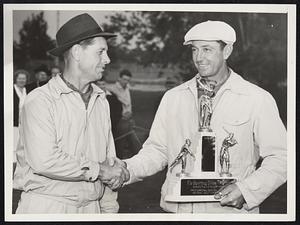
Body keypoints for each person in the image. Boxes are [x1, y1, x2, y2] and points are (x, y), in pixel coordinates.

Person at [115, 20, 287, 213]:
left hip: (229, 214)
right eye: (194, 50)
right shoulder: (174, 97)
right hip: (179, 212)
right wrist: (126, 168)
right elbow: (157, 150)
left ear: (227, 51)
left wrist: (246, 190)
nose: (199, 58)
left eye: (207, 49)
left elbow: (281, 157)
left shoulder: (256, 98)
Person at [14, 13, 129, 214]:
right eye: (100, 52)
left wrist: (109, 209)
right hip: (47, 207)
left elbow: (109, 158)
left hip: (92, 208)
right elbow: (46, 160)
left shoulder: (101, 100)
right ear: (77, 52)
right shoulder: (40, 100)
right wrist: (101, 171)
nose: (107, 59)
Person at [105, 69, 141, 159]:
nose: (126, 82)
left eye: (128, 80)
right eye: (124, 79)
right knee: (125, 142)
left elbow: (128, 104)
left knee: (130, 141)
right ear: (119, 78)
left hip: (129, 120)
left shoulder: (127, 88)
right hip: (120, 120)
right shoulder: (112, 89)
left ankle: (132, 159)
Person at [13, 69, 29, 163]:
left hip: (25, 123)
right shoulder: (11, 89)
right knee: (14, 143)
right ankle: (13, 163)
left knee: (23, 145)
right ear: (16, 79)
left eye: (24, 79)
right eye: (20, 78)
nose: (22, 80)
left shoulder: (27, 90)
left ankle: (21, 163)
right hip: (14, 122)